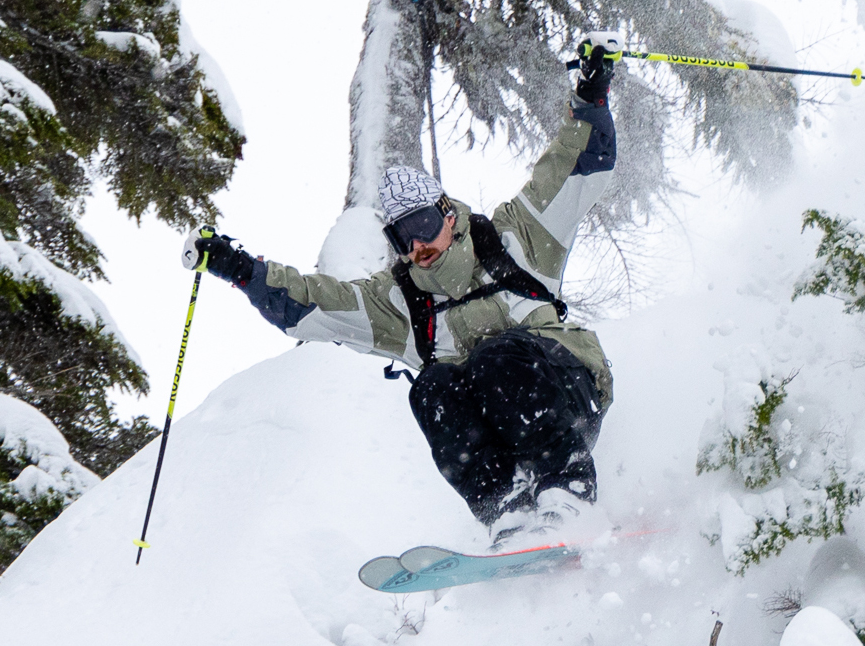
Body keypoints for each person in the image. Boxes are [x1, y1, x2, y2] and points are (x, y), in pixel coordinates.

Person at [185, 40, 619, 542]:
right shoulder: (399, 302)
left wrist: (591, 94)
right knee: (433, 388)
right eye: (402, 236)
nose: (417, 245)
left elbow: (576, 165)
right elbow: (308, 304)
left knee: (494, 358)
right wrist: (238, 268)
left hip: (571, 390)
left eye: (423, 224)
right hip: (506, 429)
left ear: (447, 213)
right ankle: (510, 511)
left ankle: (566, 493)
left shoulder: (514, 238)